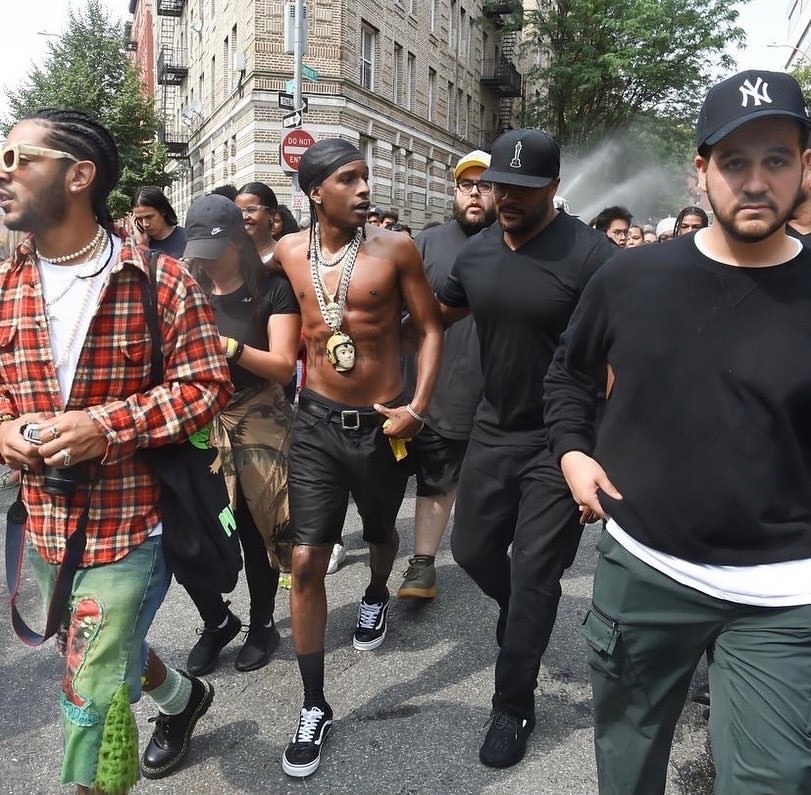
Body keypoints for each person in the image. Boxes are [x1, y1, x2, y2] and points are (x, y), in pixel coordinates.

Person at [543, 69, 811, 795]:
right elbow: (568, 376)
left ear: (804, 168)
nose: (754, 182)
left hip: (784, 594)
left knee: (775, 779)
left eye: (776, 159)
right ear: (701, 174)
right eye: (733, 162)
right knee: (626, 771)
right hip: (646, 571)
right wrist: (571, 452)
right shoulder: (631, 279)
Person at [0, 108, 232, 792]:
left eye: (19, 159)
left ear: (79, 176)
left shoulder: (159, 281)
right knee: (102, 651)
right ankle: (183, 697)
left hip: (135, 527)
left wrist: (107, 425)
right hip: (44, 525)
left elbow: (206, 385)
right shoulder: (6, 286)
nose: (3, 172)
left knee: (92, 686)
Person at [436, 128, 615, 769]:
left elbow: (618, 358)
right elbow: (442, 312)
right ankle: (521, 611)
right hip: (493, 428)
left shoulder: (592, 257)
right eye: (498, 186)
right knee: (473, 550)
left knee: (538, 574)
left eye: (522, 189)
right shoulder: (478, 254)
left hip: (560, 441)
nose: (506, 199)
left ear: (554, 188)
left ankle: (513, 701)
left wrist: (601, 448)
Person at [273, 138, 443, 778]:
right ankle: (315, 704)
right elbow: (228, 272)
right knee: (307, 556)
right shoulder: (290, 254)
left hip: (382, 423)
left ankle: (376, 588)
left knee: (378, 530)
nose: (365, 189)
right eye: (349, 179)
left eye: (365, 177)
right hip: (314, 422)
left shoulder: (395, 250)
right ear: (317, 192)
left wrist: (418, 406)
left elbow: (430, 328)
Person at [179, 194, 300, 675]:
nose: (204, 259)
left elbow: (284, 366)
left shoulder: (272, 289)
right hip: (201, 417)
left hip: (258, 416)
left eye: (214, 247)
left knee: (256, 528)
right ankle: (216, 620)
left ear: (236, 240)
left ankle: (263, 622)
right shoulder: (189, 288)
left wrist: (228, 346)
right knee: (191, 530)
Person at [397, 149, 495, 600]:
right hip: (425, 385)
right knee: (422, 476)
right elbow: (395, 308)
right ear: (455, 191)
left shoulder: (513, 243)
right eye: (466, 185)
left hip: (487, 388)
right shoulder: (427, 242)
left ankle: (444, 560)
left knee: (462, 481)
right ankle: (409, 561)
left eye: (485, 184)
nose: (475, 193)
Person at [130, 185, 187, 258]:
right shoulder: (134, 244)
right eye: (139, 219)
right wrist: (142, 246)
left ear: (163, 211)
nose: (145, 224)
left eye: (149, 217)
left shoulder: (187, 240)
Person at [234, 181, 280, 267]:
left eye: (251, 210)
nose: (244, 217)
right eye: (238, 211)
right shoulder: (230, 257)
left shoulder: (283, 256)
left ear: (271, 214)